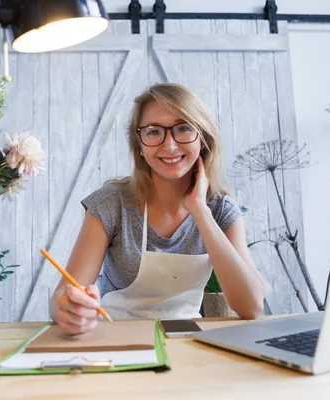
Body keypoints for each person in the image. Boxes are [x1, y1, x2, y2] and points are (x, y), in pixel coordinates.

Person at [49, 83, 265, 335]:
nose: (170, 145)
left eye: (183, 128)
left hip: (190, 341)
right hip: (118, 340)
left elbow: (251, 307)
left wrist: (200, 211)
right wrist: (68, 310)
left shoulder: (220, 209)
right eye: (153, 132)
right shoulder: (111, 204)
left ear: (203, 138)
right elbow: (60, 298)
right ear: (139, 144)